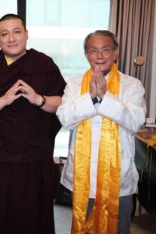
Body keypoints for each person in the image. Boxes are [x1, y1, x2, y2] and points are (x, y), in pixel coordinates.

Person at [0, 13, 66, 234]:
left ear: (27, 35)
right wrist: (3, 101)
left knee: (34, 217)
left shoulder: (45, 65)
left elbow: (62, 103)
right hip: (0, 156)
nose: (11, 38)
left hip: (35, 155)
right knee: (0, 217)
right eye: (4, 33)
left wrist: (39, 99)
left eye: (16, 32)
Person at [56, 30, 147, 234]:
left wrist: (105, 97)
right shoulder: (74, 84)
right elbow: (65, 119)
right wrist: (91, 98)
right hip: (82, 177)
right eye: (93, 51)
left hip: (118, 179)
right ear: (86, 54)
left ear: (115, 53)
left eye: (105, 50)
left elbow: (135, 122)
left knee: (118, 228)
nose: (99, 56)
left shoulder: (132, 85)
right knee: (83, 227)